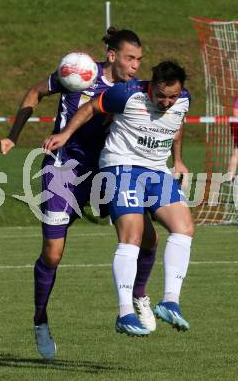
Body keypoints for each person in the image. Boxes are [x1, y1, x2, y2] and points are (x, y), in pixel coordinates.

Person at [0, 28, 161, 358]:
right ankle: (40, 321)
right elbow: (34, 92)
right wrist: (13, 135)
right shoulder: (77, 71)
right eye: (130, 58)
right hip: (63, 170)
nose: (136, 66)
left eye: (140, 60)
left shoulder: (135, 91)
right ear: (112, 56)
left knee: (148, 238)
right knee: (53, 254)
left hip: (108, 169)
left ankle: (139, 296)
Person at [45, 60, 194, 336]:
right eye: (161, 96)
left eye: (172, 96)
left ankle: (171, 301)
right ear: (152, 86)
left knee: (184, 228)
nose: (166, 102)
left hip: (157, 170)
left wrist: (179, 160)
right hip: (120, 166)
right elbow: (90, 108)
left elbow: (177, 123)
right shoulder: (126, 93)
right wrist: (65, 134)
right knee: (133, 237)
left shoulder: (182, 101)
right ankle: (125, 313)